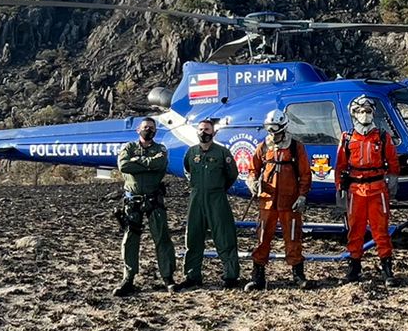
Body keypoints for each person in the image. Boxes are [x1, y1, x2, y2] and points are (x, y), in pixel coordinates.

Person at [335, 96, 400, 284]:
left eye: (368, 111)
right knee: (355, 230)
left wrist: (393, 182)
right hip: (356, 190)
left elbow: (393, 163)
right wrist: (340, 188)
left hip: (378, 189)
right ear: (354, 114)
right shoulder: (347, 138)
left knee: (381, 231)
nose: (365, 114)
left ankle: (387, 270)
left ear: (373, 113)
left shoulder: (383, 136)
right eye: (360, 111)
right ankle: (354, 268)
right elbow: (340, 165)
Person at [246, 108, 312, 291]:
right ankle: (258, 277)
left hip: (290, 201)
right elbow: (253, 169)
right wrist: (252, 182)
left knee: (293, 237)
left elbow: (305, 174)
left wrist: (302, 196)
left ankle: (298, 275)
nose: (273, 135)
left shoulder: (295, 147)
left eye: (275, 131)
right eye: (270, 131)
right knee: (262, 237)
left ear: (283, 128)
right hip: (267, 201)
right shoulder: (263, 146)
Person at [112, 117, 176, 296]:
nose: (148, 130)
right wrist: (148, 163)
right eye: (145, 127)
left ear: (155, 131)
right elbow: (124, 165)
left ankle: (168, 278)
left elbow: (160, 163)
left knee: (162, 238)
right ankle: (128, 279)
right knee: (130, 239)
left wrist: (138, 161)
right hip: (132, 201)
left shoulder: (160, 149)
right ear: (138, 130)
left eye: (152, 128)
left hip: (154, 200)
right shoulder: (128, 147)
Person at [178, 118, 240, 289]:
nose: (203, 132)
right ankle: (192, 276)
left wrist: (218, 188)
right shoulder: (191, 152)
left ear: (213, 132)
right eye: (200, 129)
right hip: (196, 198)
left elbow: (232, 174)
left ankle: (231, 275)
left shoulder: (222, 153)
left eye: (206, 129)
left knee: (224, 236)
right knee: (193, 236)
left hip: (217, 198)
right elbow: (187, 170)